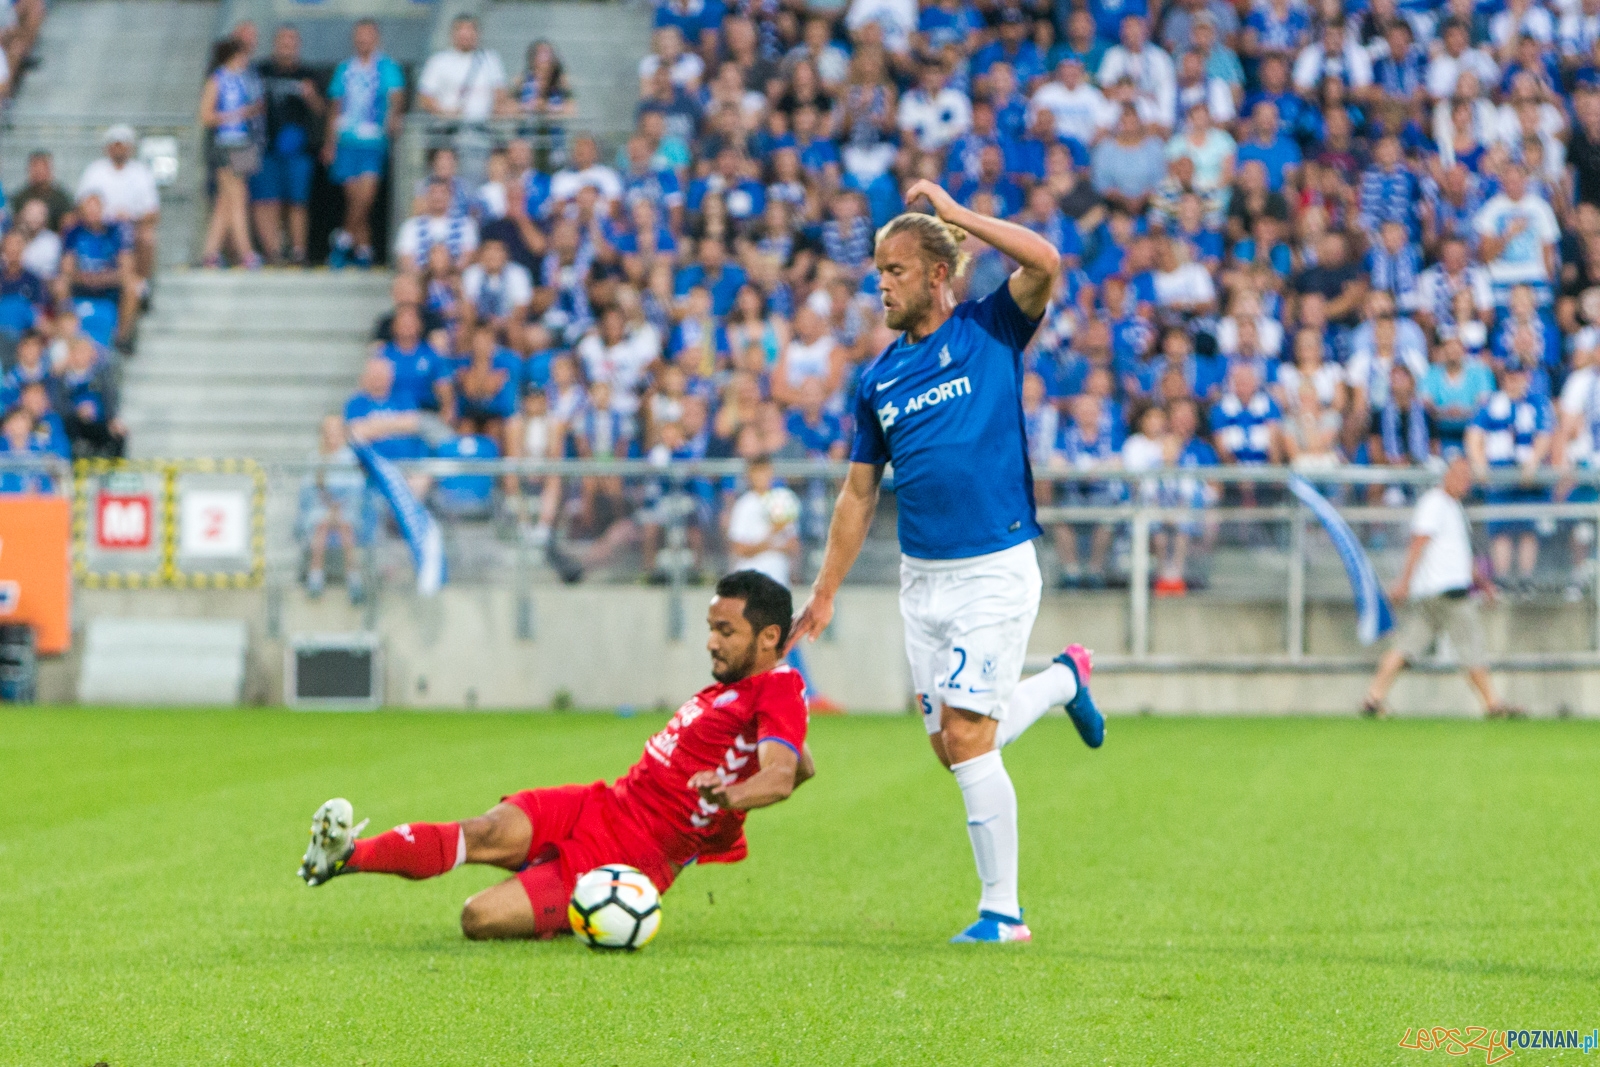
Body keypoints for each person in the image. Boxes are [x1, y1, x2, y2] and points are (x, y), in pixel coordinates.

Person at [789, 180, 1102, 945]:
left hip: (994, 565)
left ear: (937, 273)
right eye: (877, 270)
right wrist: (825, 590)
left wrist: (956, 216)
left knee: (966, 735)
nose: (881, 283)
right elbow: (858, 495)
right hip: (920, 580)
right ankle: (1065, 679)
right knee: (953, 745)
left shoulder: (989, 327)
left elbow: (1046, 261)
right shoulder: (879, 380)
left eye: (895, 269)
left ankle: (1004, 912)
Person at [296, 570, 817, 943]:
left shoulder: (777, 688)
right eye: (710, 628)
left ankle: (572, 906)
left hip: (631, 856)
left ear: (770, 637)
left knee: (477, 918)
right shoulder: (740, 691)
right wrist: (770, 771)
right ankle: (346, 856)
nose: (710, 642)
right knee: (484, 831)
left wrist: (732, 794)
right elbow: (800, 764)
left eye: (725, 631)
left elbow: (780, 774)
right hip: (603, 802)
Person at [1362, 457, 1521, 719]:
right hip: (1447, 591)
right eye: (1459, 476)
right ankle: (1493, 704)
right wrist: (1404, 582)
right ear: (1447, 475)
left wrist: (1484, 584)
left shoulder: (1452, 507)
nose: (1464, 482)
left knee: (1407, 646)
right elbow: (1417, 544)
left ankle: (1373, 697)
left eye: (1467, 478)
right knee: (1471, 647)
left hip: (1435, 593)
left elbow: (1461, 556)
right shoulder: (1435, 503)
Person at [725, 454, 839, 712]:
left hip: (778, 583)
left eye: (766, 472)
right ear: (749, 475)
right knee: (772, 639)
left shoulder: (782, 501)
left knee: (780, 637)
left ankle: (794, 693)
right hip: (753, 586)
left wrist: (787, 549)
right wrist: (771, 538)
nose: (763, 477)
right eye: (757, 472)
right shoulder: (746, 505)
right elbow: (740, 547)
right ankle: (803, 693)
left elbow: (792, 545)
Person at [324, 19, 407, 269]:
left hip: (373, 141)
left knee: (365, 197)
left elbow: (397, 98)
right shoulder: (344, 69)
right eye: (359, 35)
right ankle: (364, 251)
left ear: (377, 38)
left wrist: (393, 117)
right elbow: (335, 107)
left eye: (368, 35)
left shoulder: (387, 67)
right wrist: (330, 143)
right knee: (355, 202)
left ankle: (342, 241)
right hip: (347, 141)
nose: (363, 40)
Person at [251, 25, 324, 266]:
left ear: (298, 45)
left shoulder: (307, 73)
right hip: (263, 147)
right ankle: (273, 253)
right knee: (266, 200)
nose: (287, 45)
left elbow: (322, 110)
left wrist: (310, 95)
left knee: (297, 201)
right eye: (283, 40)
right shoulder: (260, 71)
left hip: (297, 149)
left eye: (292, 41)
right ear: (275, 43)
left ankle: (298, 251)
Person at [198, 37, 264, 270]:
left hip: (242, 141)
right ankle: (246, 252)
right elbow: (206, 116)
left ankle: (210, 253)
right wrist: (239, 113)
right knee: (236, 197)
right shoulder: (217, 79)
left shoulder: (242, 80)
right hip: (225, 143)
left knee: (226, 201)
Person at [76, 126, 161, 292]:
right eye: (115, 145)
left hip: (131, 225)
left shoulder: (141, 172)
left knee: (147, 237)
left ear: (130, 147)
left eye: (122, 145)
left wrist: (132, 218)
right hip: (100, 226)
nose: (118, 149)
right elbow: (81, 205)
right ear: (107, 147)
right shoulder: (95, 170)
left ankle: (140, 283)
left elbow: (153, 213)